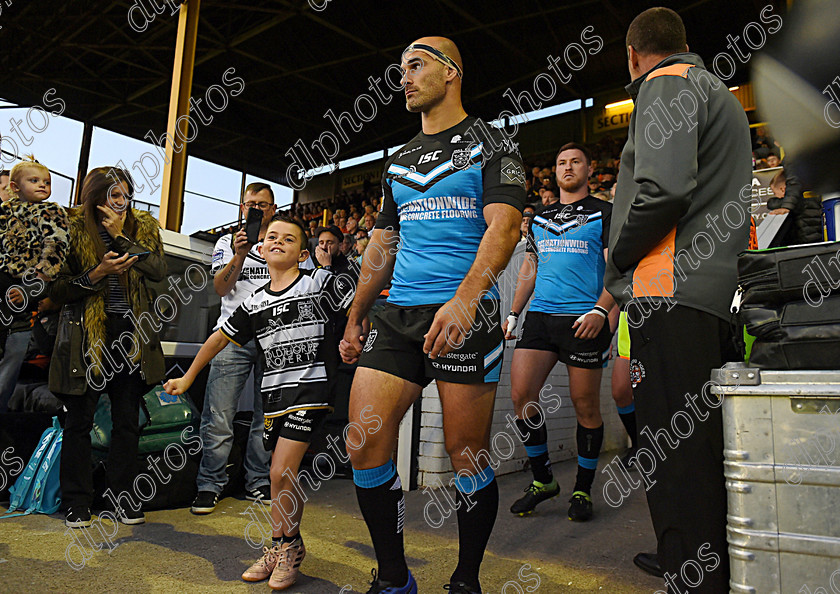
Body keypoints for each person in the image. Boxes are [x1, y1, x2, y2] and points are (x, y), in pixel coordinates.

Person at [339, 36, 524, 594]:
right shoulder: (396, 159)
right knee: (362, 440)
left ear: (452, 73)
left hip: (467, 314)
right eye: (400, 69)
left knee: (466, 455)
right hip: (400, 314)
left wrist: (465, 300)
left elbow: (506, 227)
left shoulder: (493, 142)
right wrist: (355, 315)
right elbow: (382, 243)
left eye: (416, 66)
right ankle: (394, 577)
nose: (404, 77)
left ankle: (466, 578)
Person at [604, 8, 751, 592]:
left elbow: (662, 189)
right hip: (711, 295)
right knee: (703, 444)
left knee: (675, 447)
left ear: (634, 55)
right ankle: (692, 555)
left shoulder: (665, 83)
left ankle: (690, 572)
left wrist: (617, 256)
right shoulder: (719, 93)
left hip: (670, 292)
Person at [165, 216, 354, 591]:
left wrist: (354, 334)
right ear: (261, 248)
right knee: (276, 475)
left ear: (302, 253)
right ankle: (283, 544)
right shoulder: (254, 301)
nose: (278, 242)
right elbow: (219, 339)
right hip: (275, 399)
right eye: (272, 237)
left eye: (288, 239)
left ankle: (287, 549)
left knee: (282, 471)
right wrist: (188, 377)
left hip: (310, 393)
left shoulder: (318, 282)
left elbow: (358, 300)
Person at [503, 143, 616, 521]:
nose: (568, 167)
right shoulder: (539, 218)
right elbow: (530, 268)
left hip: (584, 319)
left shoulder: (606, 213)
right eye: (561, 162)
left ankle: (582, 490)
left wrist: (602, 310)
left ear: (589, 168)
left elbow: (619, 271)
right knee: (522, 396)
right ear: (554, 171)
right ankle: (544, 481)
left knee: (585, 406)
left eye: (576, 162)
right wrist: (514, 313)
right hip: (540, 317)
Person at [49, 166, 166, 528]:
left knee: (126, 423)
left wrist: (121, 236)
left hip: (131, 336)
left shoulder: (142, 226)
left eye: (126, 194)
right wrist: (96, 274)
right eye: (115, 194)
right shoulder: (70, 227)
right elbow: (55, 291)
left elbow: (158, 270)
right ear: (96, 195)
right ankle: (77, 503)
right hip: (87, 334)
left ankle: (122, 498)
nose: (122, 201)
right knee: (79, 421)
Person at [190, 183, 277, 514]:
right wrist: (241, 254)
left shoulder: (280, 240)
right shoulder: (228, 242)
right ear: (243, 207)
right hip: (231, 335)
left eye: (263, 204)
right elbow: (221, 287)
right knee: (219, 414)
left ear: (273, 208)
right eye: (251, 204)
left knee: (265, 418)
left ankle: (258, 480)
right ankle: (209, 484)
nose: (256, 209)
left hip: (273, 336)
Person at [0, 157, 69, 411]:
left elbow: (55, 250)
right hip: (4, 283)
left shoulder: (52, 212)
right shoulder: (5, 213)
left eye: (47, 182)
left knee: (12, 357)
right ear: (15, 188)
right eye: (34, 180)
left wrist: (30, 289)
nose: (43, 185)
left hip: (26, 289)